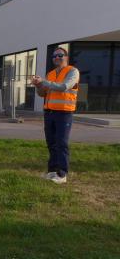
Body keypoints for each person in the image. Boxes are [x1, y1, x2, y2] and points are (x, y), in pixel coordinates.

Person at [31, 47, 80, 185]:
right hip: (49, 112)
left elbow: (64, 87)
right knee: (51, 143)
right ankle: (52, 171)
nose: (56, 58)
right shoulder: (51, 74)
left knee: (61, 143)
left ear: (66, 57)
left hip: (64, 113)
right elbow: (43, 93)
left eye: (60, 55)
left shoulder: (72, 71)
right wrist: (38, 85)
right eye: (54, 56)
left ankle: (62, 174)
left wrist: (44, 82)